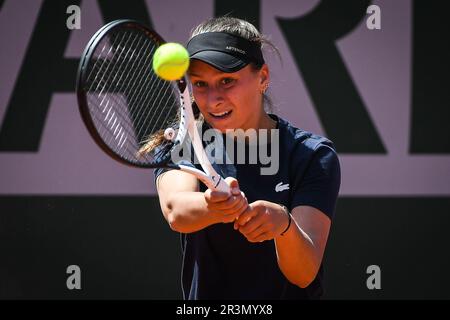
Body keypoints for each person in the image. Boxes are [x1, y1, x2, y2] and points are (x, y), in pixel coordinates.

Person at [154, 16, 341, 300]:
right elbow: (176, 211)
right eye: (200, 84)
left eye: (227, 80)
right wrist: (214, 207)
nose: (213, 98)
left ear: (262, 78)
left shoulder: (311, 155)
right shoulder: (180, 144)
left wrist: (284, 226)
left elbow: (303, 274)